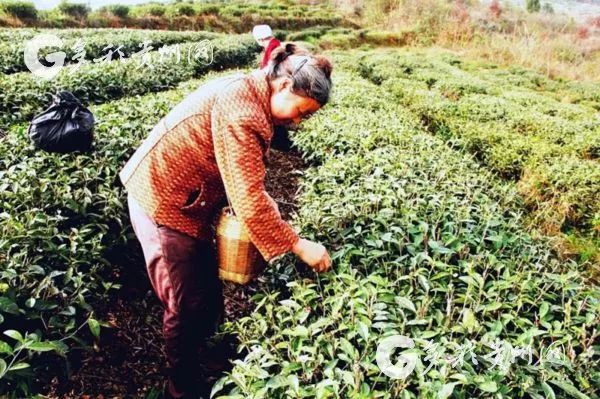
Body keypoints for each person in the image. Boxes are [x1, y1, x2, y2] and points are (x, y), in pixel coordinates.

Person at [119, 43, 333, 399]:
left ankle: (214, 363)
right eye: (299, 111)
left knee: (206, 291)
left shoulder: (251, 93)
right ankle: (181, 388)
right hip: (162, 202)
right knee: (184, 303)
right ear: (282, 87)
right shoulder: (242, 111)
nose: (296, 122)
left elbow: (247, 182)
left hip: (189, 202)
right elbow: (248, 197)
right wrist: (297, 244)